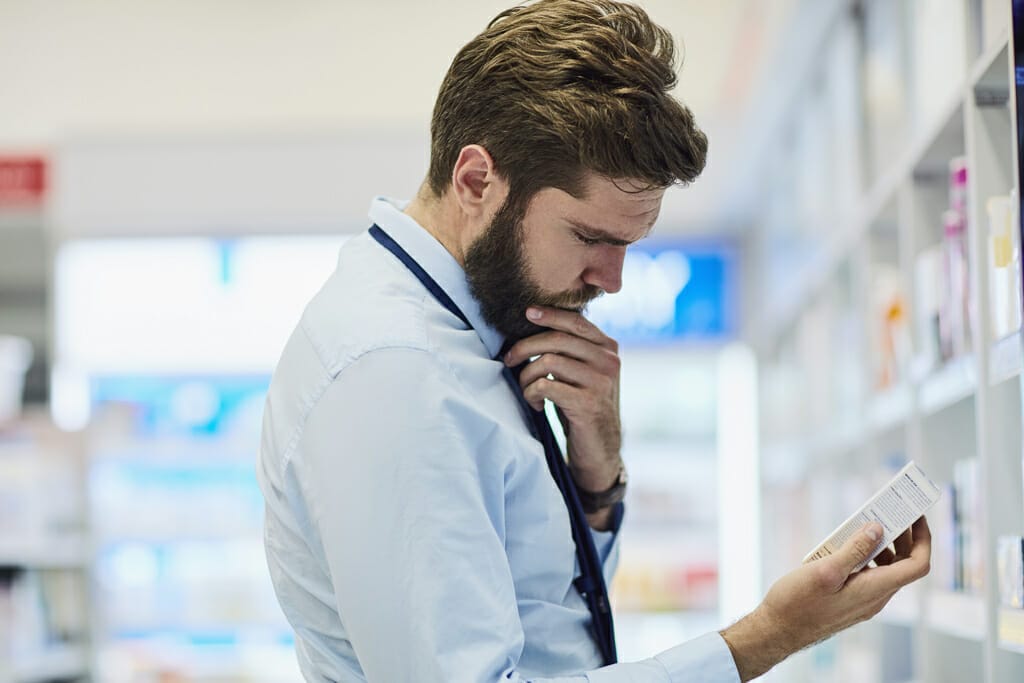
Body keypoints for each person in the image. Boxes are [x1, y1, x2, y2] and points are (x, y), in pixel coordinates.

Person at [255, 1, 932, 680]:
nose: (610, 280)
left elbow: (541, 609)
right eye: (590, 237)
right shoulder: (393, 373)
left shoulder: (469, 331)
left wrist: (597, 477)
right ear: (475, 181)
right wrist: (765, 637)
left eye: (628, 245)